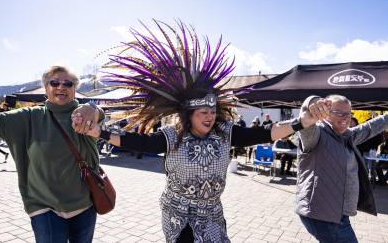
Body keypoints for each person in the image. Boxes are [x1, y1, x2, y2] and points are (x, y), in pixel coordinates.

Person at [73, 20, 310, 243]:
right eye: (203, 112)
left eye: (212, 110)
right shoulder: (172, 136)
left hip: (212, 214)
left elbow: (267, 133)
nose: (210, 116)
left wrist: (301, 122)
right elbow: (138, 142)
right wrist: (100, 133)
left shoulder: (226, 132)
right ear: (189, 115)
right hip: (179, 215)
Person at [0, 65, 103, 242]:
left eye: (68, 84)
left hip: (85, 205)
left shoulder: (83, 115)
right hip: (45, 207)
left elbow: (99, 116)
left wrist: (94, 109)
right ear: (46, 88)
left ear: (74, 89)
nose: (61, 87)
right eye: (54, 83)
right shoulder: (29, 117)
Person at [296, 94, 388, 243]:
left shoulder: (347, 136)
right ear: (325, 113)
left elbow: (372, 126)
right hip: (323, 215)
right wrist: (311, 101)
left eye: (348, 113)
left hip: (337, 214)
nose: (345, 117)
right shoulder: (315, 134)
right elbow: (303, 121)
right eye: (339, 113)